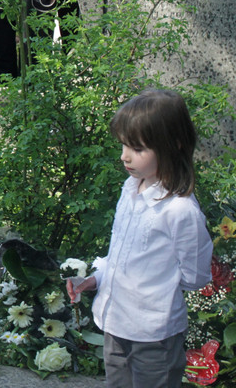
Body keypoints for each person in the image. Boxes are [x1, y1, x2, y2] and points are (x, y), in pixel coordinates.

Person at [67, 89, 212, 388]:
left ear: (173, 145)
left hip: (154, 335)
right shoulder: (131, 189)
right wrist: (95, 278)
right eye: (123, 144)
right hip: (116, 324)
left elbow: (195, 276)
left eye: (137, 148)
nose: (124, 156)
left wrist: (156, 289)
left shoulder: (180, 212)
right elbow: (121, 253)